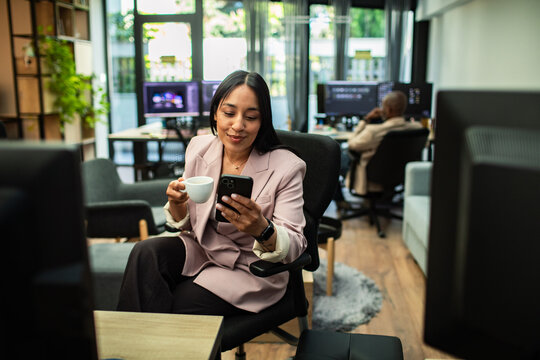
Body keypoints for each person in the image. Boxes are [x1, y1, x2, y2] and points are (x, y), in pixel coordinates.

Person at [116, 70, 307, 316]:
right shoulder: (199, 147)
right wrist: (177, 204)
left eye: (251, 117)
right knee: (145, 253)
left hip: (250, 268)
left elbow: (296, 245)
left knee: (178, 304)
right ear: (215, 113)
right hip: (203, 249)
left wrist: (263, 228)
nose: (238, 125)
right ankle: (128, 350)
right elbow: (187, 225)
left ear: (262, 122)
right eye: (229, 113)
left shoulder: (287, 167)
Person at [345, 90, 422, 196]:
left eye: (383, 106)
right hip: (399, 174)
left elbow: (352, 144)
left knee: (335, 158)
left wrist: (366, 120)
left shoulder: (373, 131)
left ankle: (340, 202)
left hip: (373, 175)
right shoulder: (417, 128)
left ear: (389, 110)